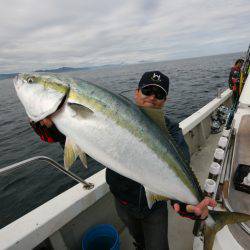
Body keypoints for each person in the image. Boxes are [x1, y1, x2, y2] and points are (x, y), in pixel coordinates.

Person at [30, 71, 216, 250]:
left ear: (164, 101)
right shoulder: (114, 114)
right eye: (147, 91)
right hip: (122, 201)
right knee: (138, 240)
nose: (152, 97)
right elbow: (86, 138)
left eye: (159, 94)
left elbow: (178, 171)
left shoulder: (171, 131)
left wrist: (187, 205)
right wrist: (59, 132)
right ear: (136, 92)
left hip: (154, 208)